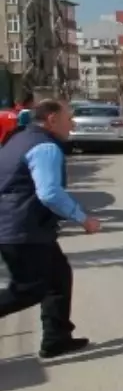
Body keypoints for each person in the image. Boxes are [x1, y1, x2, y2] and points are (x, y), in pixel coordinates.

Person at [0, 99, 99, 358]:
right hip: (22, 228)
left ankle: (56, 338)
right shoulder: (45, 147)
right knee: (28, 290)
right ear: (52, 119)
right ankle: (56, 337)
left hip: (21, 225)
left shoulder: (19, 139)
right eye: (69, 118)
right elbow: (50, 193)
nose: (73, 123)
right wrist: (83, 218)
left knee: (58, 277)